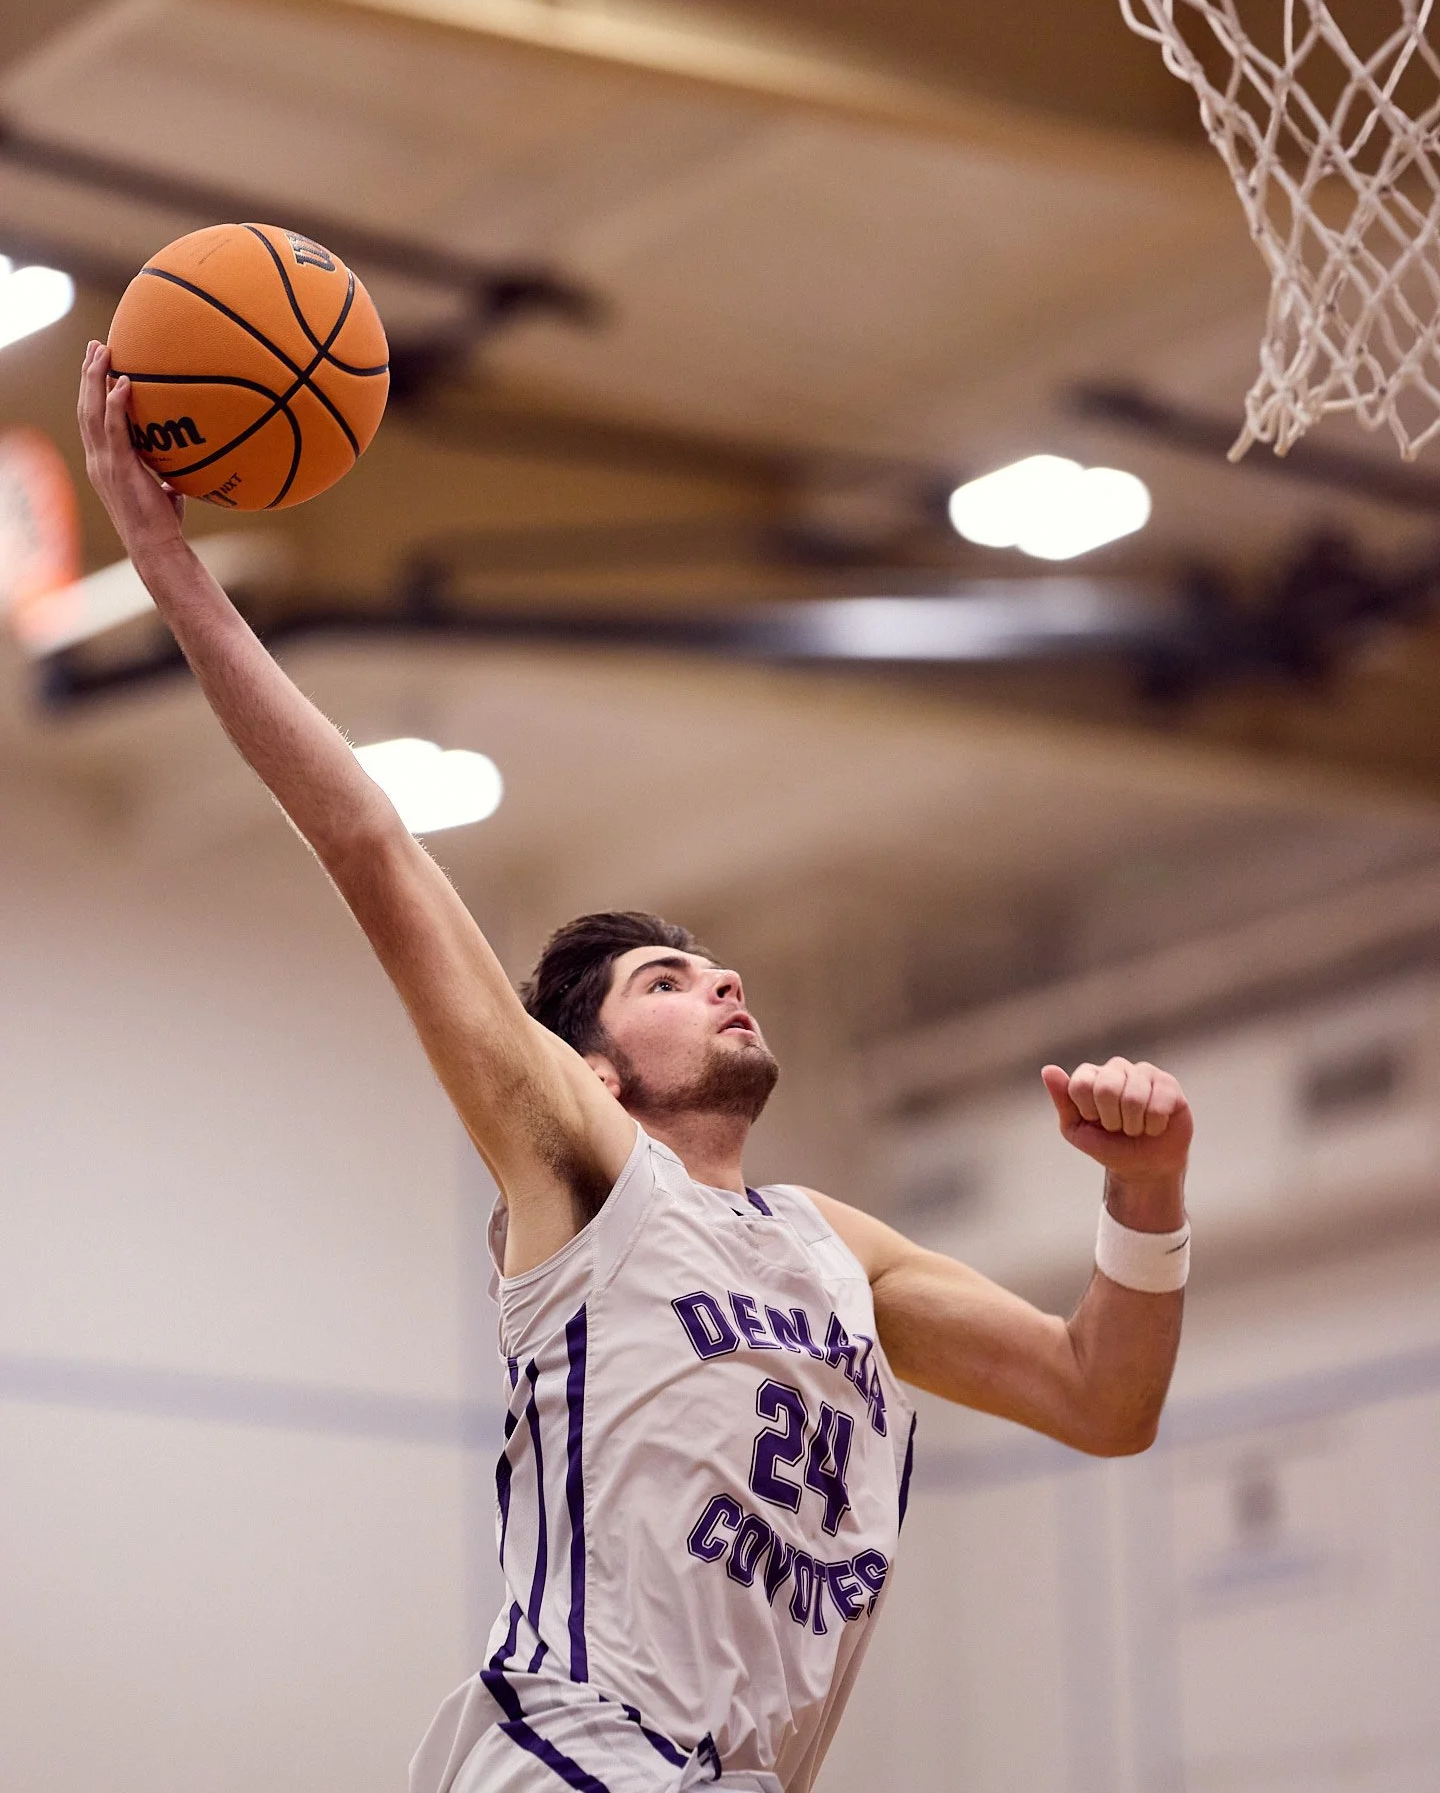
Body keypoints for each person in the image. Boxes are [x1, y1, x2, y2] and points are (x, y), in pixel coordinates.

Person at [79, 344, 1193, 1793]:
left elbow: (1102, 1400)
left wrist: (1150, 1196)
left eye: (714, 965)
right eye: (665, 982)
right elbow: (373, 846)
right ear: (590, 1073)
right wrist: (171, 567)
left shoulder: (834, 1251)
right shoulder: (590, 1178)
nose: (722, 979)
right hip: (571, 1759)